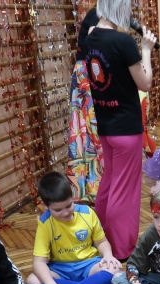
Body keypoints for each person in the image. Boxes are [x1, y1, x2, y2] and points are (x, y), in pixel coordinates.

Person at [84, 0, 157, 260]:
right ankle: (120, 249)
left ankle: (102, 240)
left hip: (106, 126)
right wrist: (146, 50)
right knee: (124, 191)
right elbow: (145, 83)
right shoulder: (123, 42)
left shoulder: (90, 35)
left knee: (109, 183)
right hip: (126, 129)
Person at [25, 171, 121, 284]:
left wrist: (108, 255)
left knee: (114, 269)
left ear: (72, 198)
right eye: (58, 210)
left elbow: (102, 242)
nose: (65, 213)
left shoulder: (87, 213)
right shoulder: (45, 223)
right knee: (32, 281)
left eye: (68, 206)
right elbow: (38, 262)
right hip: (61, 269)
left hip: (89, 265)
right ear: (46, 206)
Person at [67, 7, 103, 203]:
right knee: (89, 130)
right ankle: (94, 186)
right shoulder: (98, 15)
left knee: (85, 131)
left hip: (84, 71)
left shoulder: (97, 14)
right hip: (87, 74)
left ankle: (91, 186)